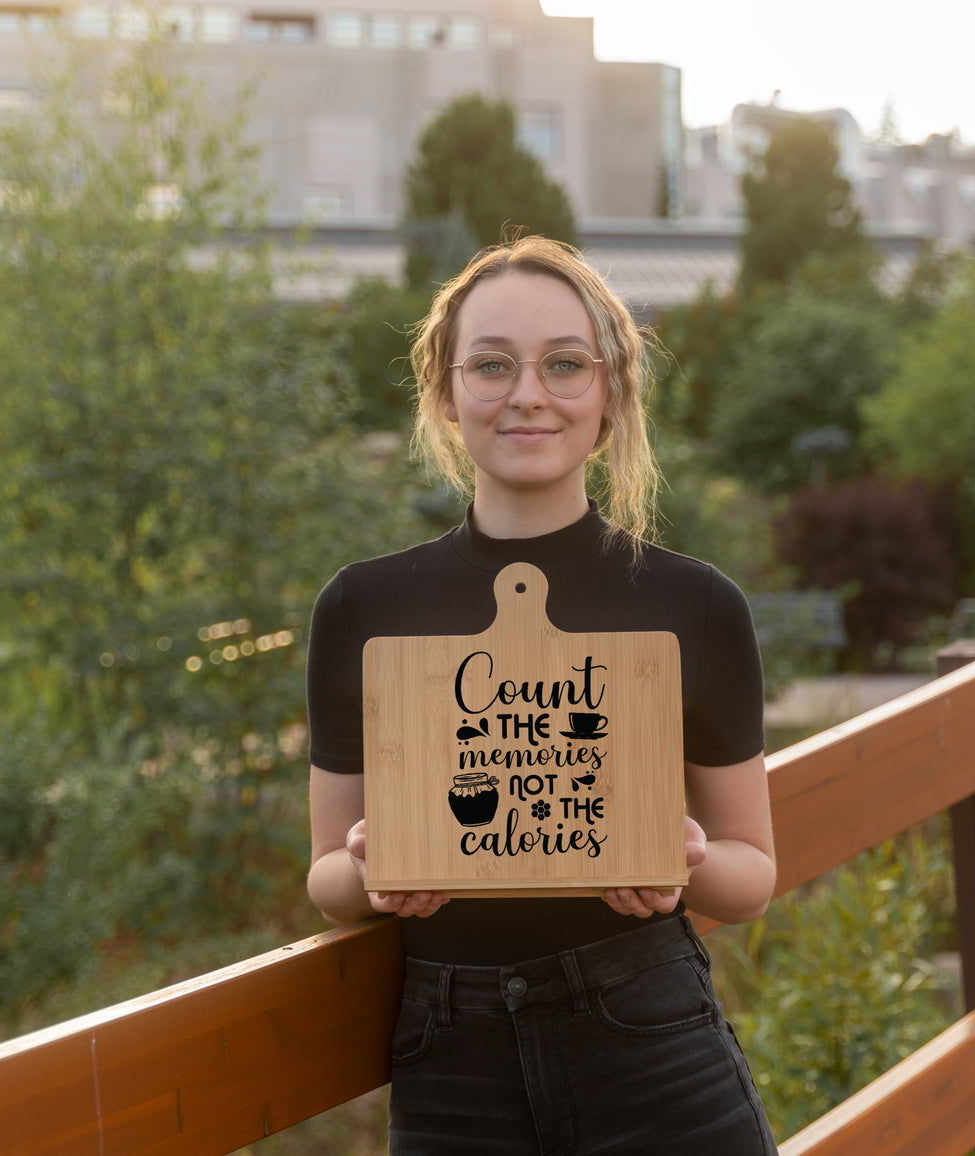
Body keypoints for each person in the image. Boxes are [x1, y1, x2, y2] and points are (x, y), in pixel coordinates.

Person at [306, 235, 778, 1155]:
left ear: (609, 396)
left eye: (564, 365)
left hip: (650, 1033)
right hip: (451, 1060)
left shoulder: (694, 604)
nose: (528, 393)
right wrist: (372, 871)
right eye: (491, 365)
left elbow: (751, 871)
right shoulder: (363, 606)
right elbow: (327, 876)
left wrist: (679, 861)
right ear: (445, 394)